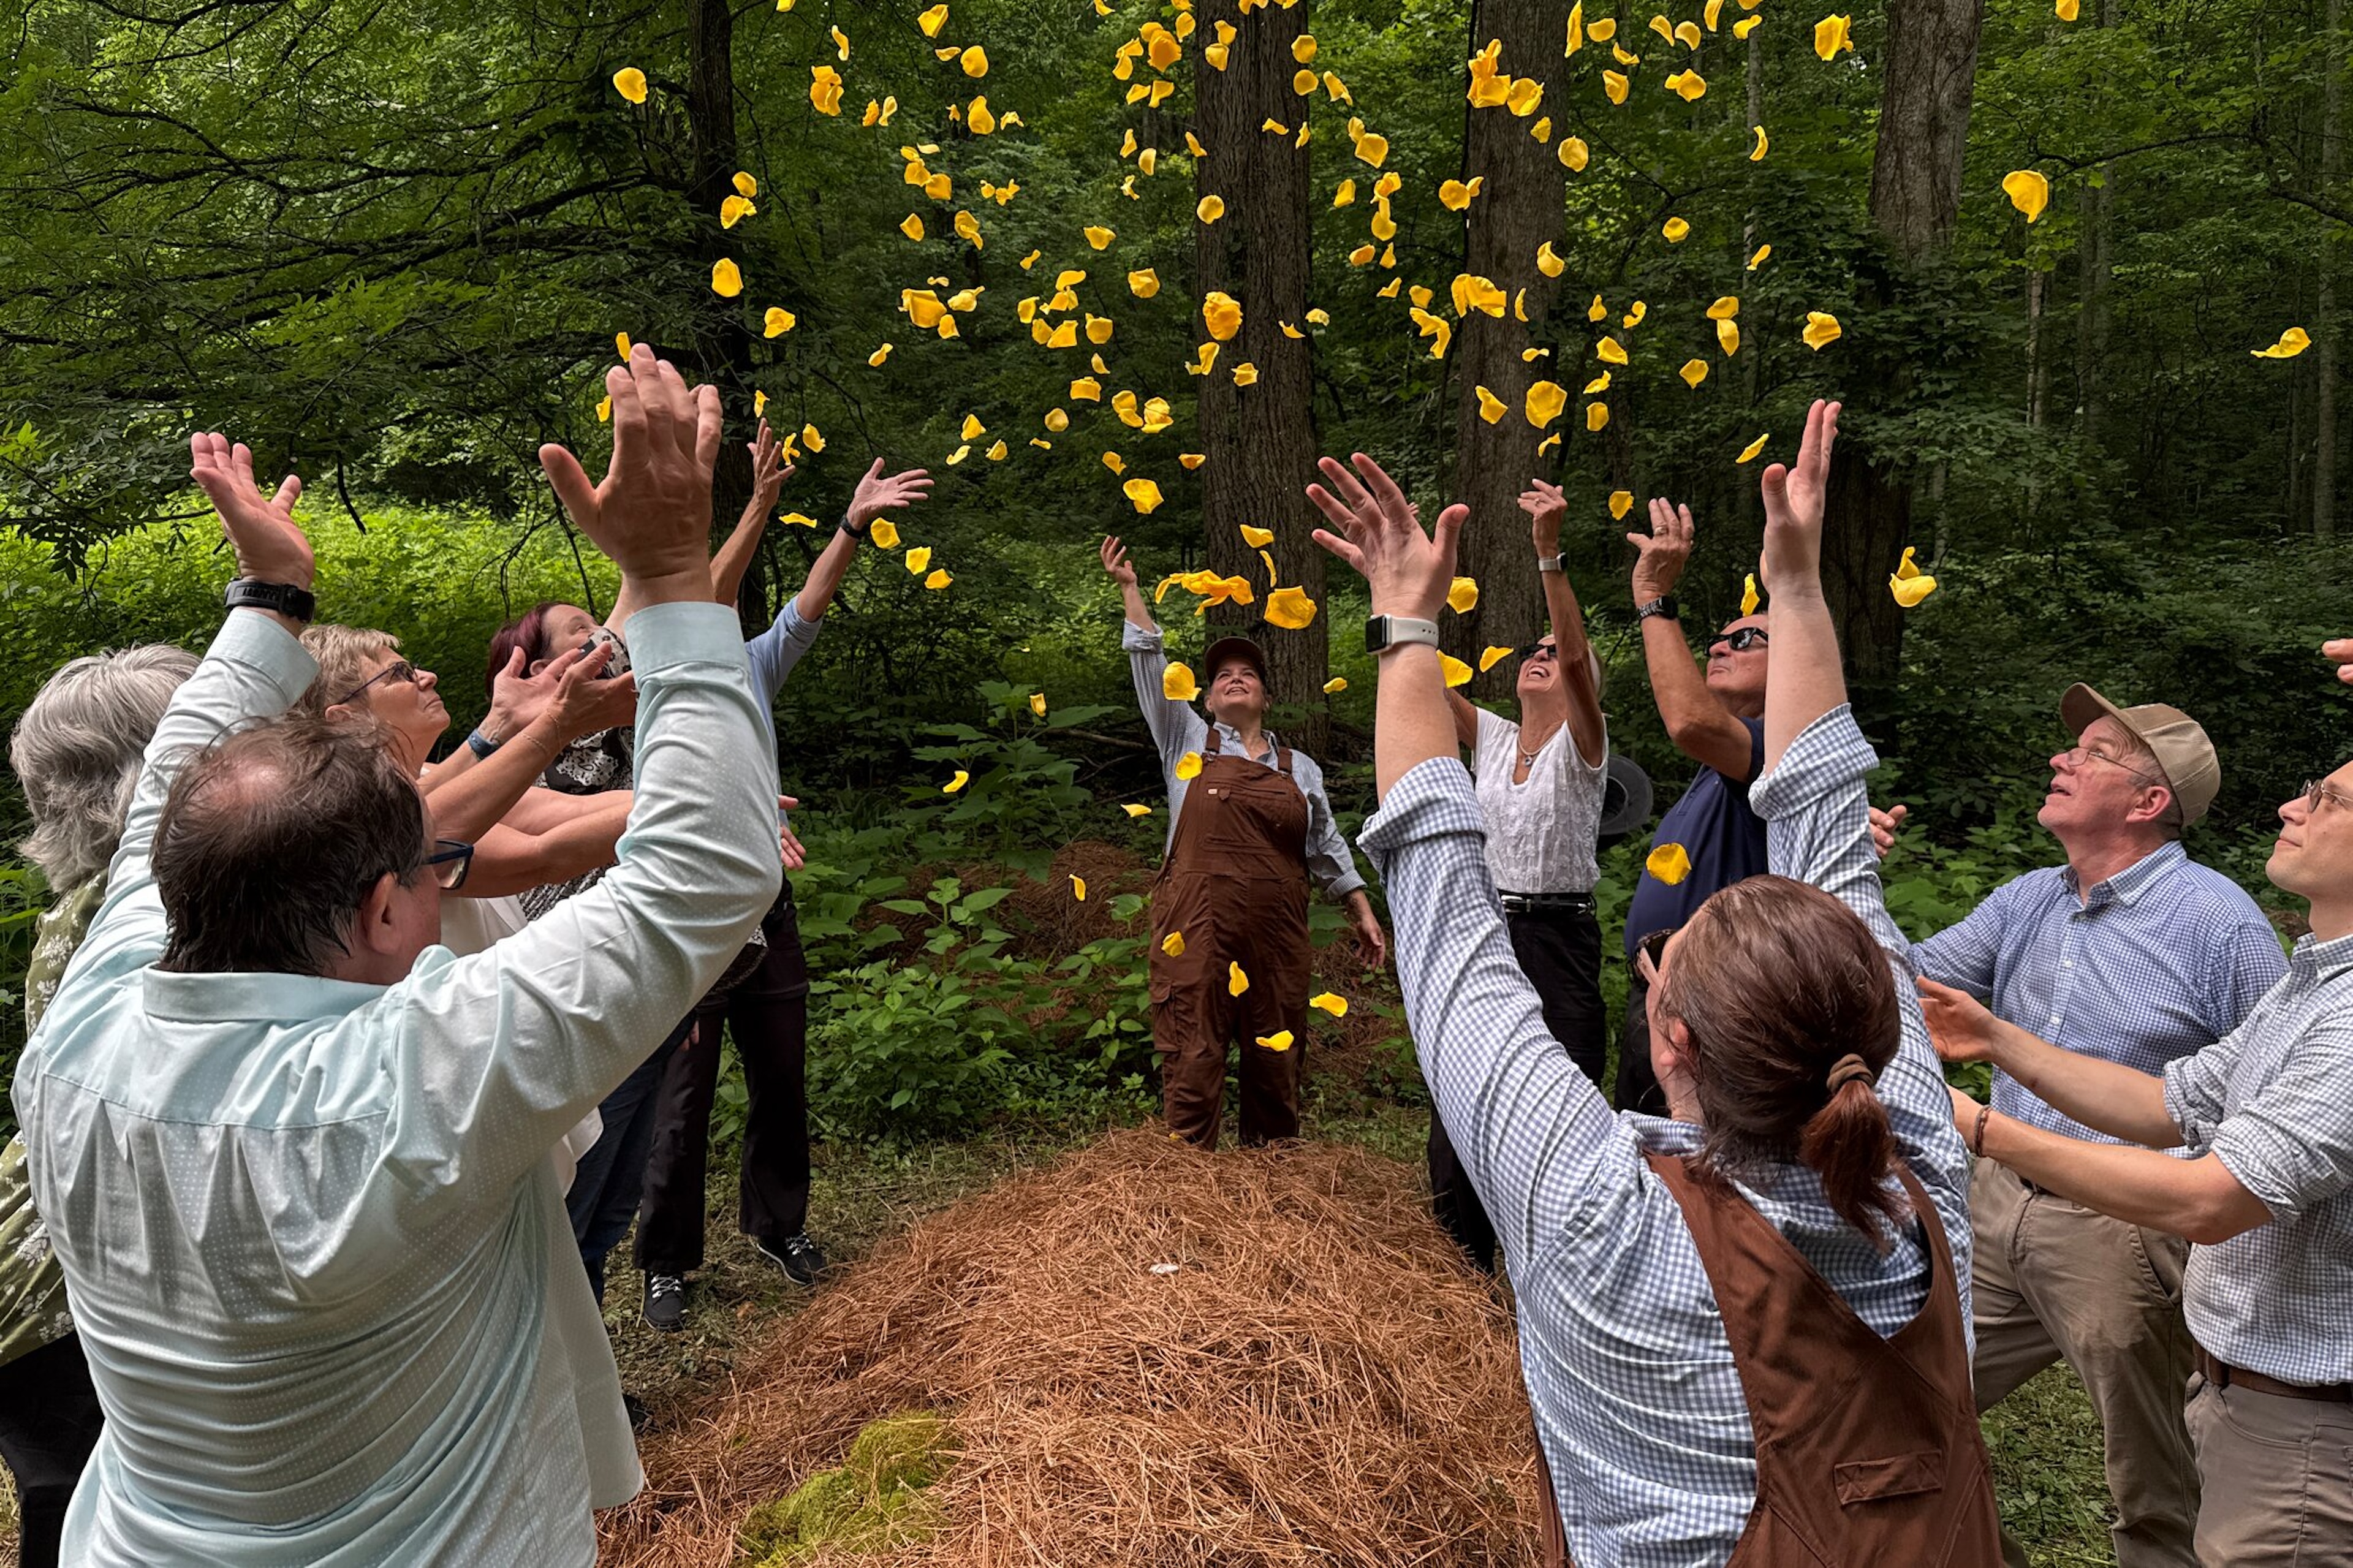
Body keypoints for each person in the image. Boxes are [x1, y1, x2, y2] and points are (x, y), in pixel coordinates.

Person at [12, 355, 781, 1565]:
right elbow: (708, 875)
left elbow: (174, 777)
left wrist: (268, 593)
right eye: (432, 863)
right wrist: (678, 574)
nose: (448, 868)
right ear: (381, 910)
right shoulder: (414, 1085)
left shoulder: (80, 1037)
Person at [1313, 404, 2001, 1566]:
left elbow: (1438, 890)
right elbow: (1834, 846)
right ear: (1887, 1036)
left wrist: (1403, 615)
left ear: (1668, 1039)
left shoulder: (1596, 1213)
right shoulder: (1926, 1179)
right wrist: (1796, 586)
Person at [1929, 702, 2353, 1568]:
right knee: (1911, 1402)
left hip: (2166, 1264)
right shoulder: (2308, 979)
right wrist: (1997, 1038)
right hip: (2036, 1233)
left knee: (2155, 1491)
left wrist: (1977, 1122)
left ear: (2150, 798)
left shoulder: (2232, 929)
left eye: (2331, 798)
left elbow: (2217, 1190)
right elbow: (2175, 1099)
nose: (2292, 806)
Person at [635, 436, 931, 1330]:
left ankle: (780, 1225)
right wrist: (758, 506)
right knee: (679, 1101)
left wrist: (846, 521)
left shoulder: (752, 667)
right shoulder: (650, 683)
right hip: (687, 907)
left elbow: (808, 607)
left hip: (770, 903)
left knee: (781, 1076)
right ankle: (665, 1263)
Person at [1, 645, 195, 1568]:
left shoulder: (98, 906)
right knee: (87, 1510)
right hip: (61, 1304)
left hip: (50, 1286)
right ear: (149, 772)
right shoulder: (145, 921)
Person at [1100, 535, 1386, 1149]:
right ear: (1204, 699)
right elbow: (1150, 668)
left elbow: (1326, 844)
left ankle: (1273, 1181)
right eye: (1223, 676)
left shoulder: (1298, 766)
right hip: (1196, 919)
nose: (1235, 679)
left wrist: (1361, 908)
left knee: (1276, 1050)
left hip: (1277, 930)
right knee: (1192, 1045)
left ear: (1264, 695)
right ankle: (1188, 1182)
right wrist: (1131, 591)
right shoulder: (1185, 739)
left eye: (1247, 674)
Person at [1428, 477, 1610, 1273]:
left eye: (1554, 655)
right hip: (1487, 932)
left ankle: (1550, 1271)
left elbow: (1574, 653)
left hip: (1559, 940)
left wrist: (1549, 556)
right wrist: (1406, 585)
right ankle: (1460, 1273)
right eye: (1530, 652)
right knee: (1460, 1099)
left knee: (1554, 1107)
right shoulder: (1494, 738)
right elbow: (1424, 680)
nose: (1542, 657)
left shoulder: (1583, 746)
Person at [1616, 498, 1771, 1115]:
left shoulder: (1777, 742)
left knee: (1692, 1176)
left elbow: (1688, 722)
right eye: (1719, 640)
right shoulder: (1720, 769)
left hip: (1710, 1006)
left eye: (1748, 639)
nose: (1721, 647)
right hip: (1660, 997)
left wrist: (1653, 597)